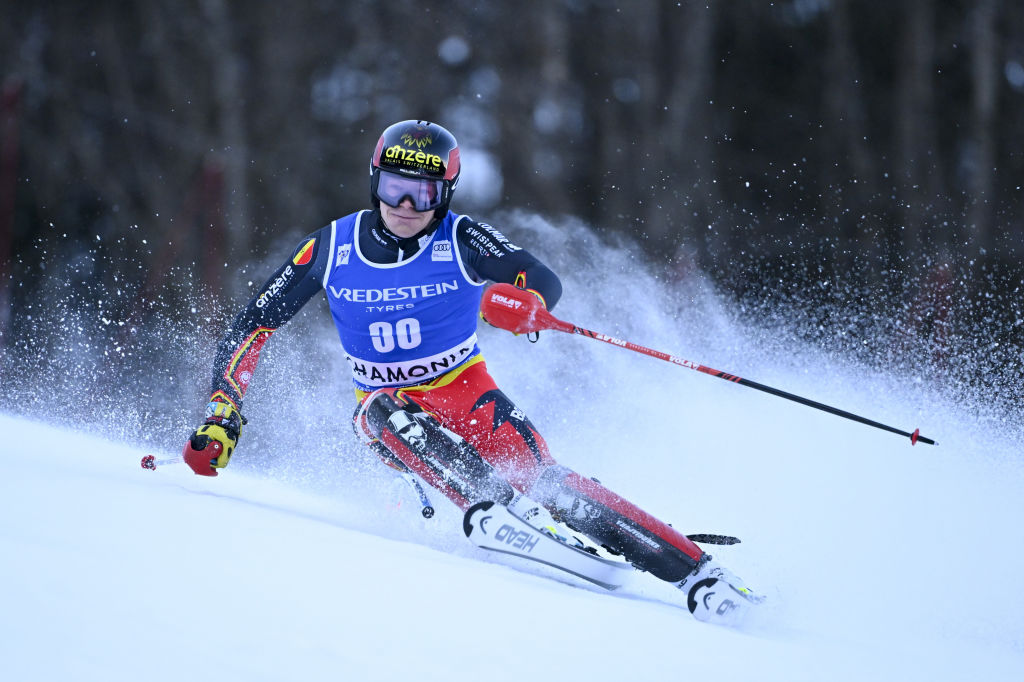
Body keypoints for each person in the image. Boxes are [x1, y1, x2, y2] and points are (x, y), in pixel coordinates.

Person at [184, 119, 758, 621]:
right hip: (388, 409)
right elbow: (254, 323)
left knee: (550, 481)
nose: (406, 207)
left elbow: (537, 276)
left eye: (423, 194)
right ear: (375, 181)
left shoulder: (460, 237)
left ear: (446, 193)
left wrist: (525, 304)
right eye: (394, 188)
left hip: (466, 390)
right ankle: (494, 508)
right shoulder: (332, 246)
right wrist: (223, 411)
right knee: (380, 410)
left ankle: (698, 573)